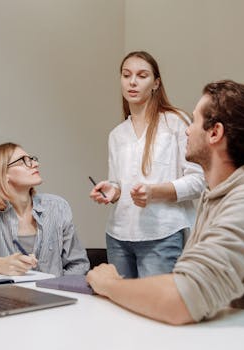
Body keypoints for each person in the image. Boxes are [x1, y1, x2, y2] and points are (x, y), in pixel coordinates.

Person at [86, 80, 244, 325]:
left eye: (195, 121)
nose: (187, 130)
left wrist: (111, 284)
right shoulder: (218, 195)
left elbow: (183, 299)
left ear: (215, 133)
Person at [89, 51, 205, 278]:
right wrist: (112, 191)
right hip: (118, 236)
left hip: (162, 234)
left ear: (156, 83)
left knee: (155, 309)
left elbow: (198, 180)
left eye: (142, 76)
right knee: (119, 308)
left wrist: (155, 192)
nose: (132, 82)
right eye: (126, 75)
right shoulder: (117, 134)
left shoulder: (176, 122)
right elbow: (118, 184)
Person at [0, 142, 89, 276]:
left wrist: (58, 289)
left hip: (55, 295)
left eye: (32, 159)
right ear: (2, 173)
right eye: (23, 161)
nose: (35, 164)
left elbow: (79, 265)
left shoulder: (57, 207)